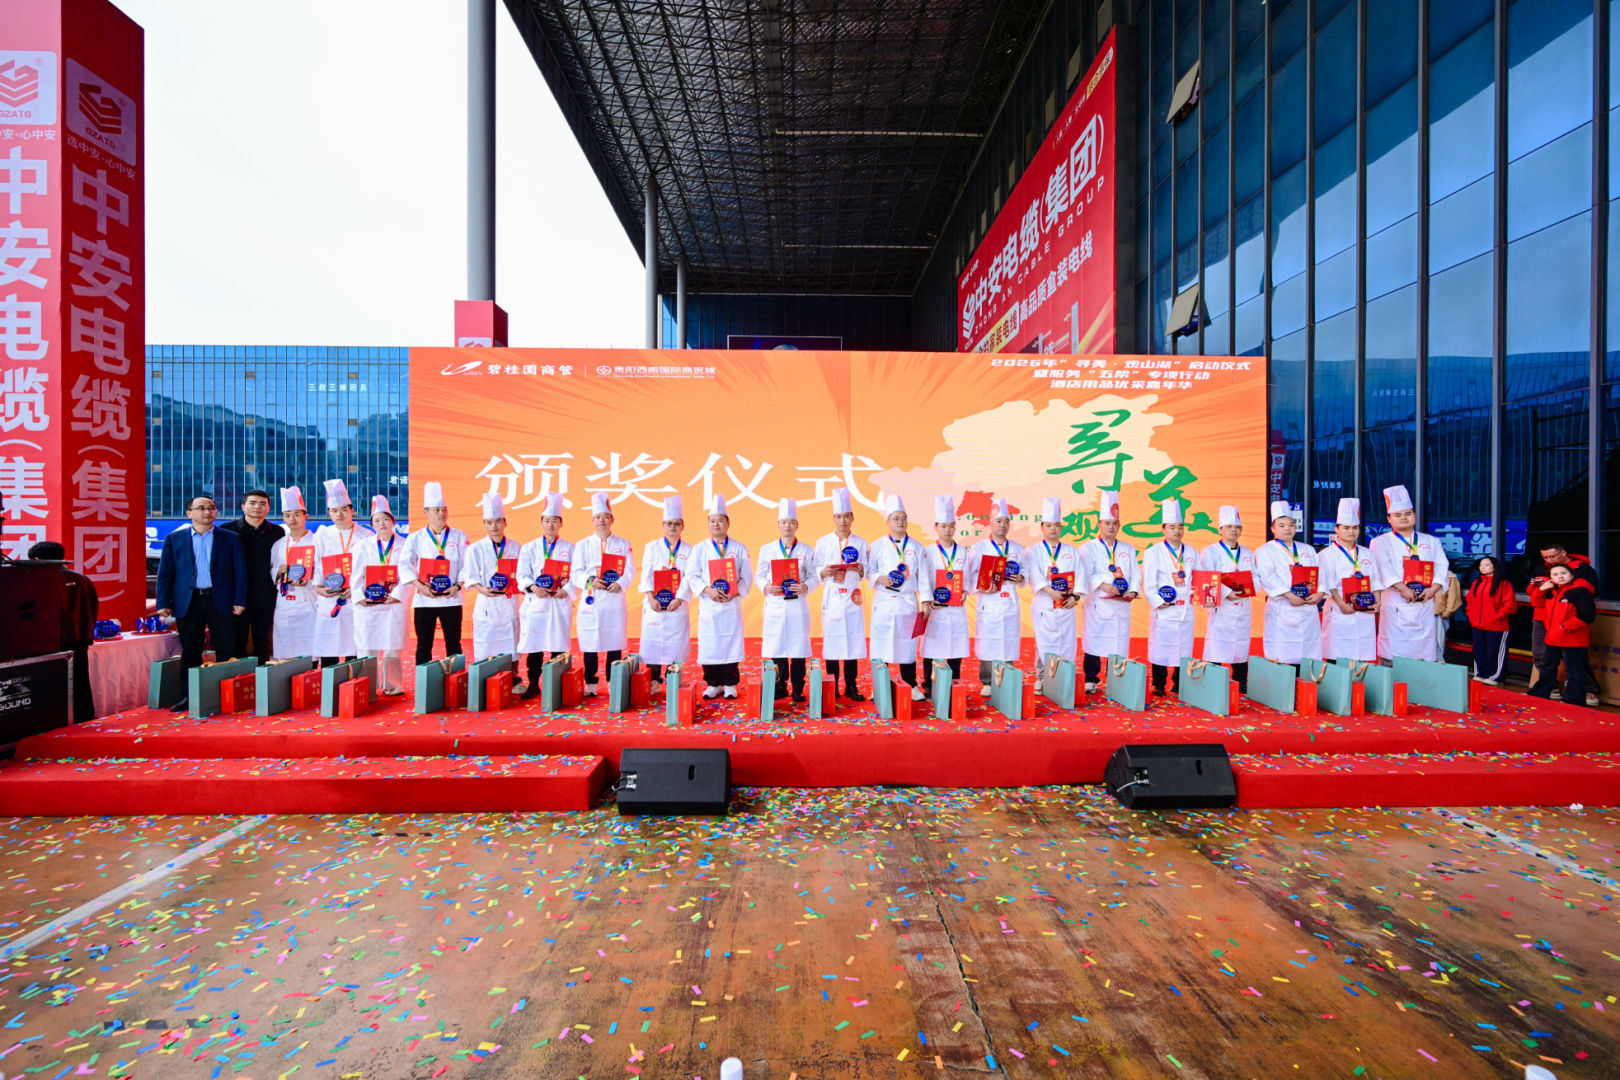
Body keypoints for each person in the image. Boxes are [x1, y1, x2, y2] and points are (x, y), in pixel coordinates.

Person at [155, 494, 247, 713]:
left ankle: (226, 695)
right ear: (189, 513)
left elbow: (240, 571)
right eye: (201, 508)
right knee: (190, 651)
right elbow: (165, 574)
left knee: (226, 649)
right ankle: (190, 696)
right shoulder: (174, 539)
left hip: (221, 600)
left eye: (211, 508)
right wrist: (163, 602)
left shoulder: (230, 538)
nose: (207, 512)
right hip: (189, 601)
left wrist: (240, 599)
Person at [1369, 485, 1450, 662]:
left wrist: (1433, 589)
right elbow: (1383, 567)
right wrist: (1402, 588)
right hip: (1395, 603)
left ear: (1415, 515)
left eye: (1408, 513)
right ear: (1389, 519)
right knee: (1394, 654)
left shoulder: (1431, 541)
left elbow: (1442, 566)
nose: (1404, 518)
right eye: (1398, 515)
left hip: (1424, 603)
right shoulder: (1380, 542)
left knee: (1424, 654)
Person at [684, 494, 753, 699]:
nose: (716, 524)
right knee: (710, 644)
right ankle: (713, 683)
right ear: (708, 523)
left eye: (720, 520)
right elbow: (691, 575)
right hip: (709, 605)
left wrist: (735, 592)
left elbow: (746, 576)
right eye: (712, 520)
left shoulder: (739, 548)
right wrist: (708, 590)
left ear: (728, 523)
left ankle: (730, 683)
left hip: (731, 605)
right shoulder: (699, 549)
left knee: (731, 643)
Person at [571, 494, 636, 696]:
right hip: (592, 599)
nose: (602, 521)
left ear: (612, 520)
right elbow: (575, 572)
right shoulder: (582, 545)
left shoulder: (623, 544)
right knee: (590, 644)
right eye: (598, 517)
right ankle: (590, 684)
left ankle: (612, 681)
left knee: (614, 644)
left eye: (606, 517)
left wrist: (620, 583)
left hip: (613, 599)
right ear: (592, 520)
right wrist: (590, 580)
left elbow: (630, 571)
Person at [26, 540, 97, 723]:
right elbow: (93, 607)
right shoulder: (82, 579)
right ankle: (84, 719)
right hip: (81, 638)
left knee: (52, 685)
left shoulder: (41, 582)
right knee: (80, 681)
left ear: (37, 560)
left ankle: (57, 721)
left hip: (53, 642)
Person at [757, 498, 819, 703]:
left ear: (797, 525)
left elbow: (814, 576)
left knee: (798, 647)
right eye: (784, 522)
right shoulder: (767, 549)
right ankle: (780, 685)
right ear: (778, 525)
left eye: (791, 522)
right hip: (775, 604)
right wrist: (766, 587)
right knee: (778, 645)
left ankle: (798, 687)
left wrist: (805, 586)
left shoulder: (807, 550)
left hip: (797, 605)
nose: (787, 526)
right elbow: (759, 576)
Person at [401, 481, 468, 666]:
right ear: (426, 512)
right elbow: (404, 565)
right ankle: (424, 680)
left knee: (454, 644)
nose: (441, 514)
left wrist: (457, 586)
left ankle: (456, 679)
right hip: (424, 600)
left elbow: (466, 565)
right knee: (423, 645)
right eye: (436, 510)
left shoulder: (460, 536)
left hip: (451, 599)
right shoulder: (415, 538)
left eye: (444, 510)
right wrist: (419, 585)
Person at [516, 492, 575, 699]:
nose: (551, 525)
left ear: (561, 523)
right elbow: (522, 575)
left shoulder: (570, 548)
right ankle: (533, 682)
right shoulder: (529, 547)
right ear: (541, 522)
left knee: (558, 644)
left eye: (555, 521)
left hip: (558, 603)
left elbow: (576, 575)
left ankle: (556, 684)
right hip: (537, 603)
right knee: (535, 644)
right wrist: (533, 587)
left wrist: (566, 589)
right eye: (547, 520)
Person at [1079, 490, 1139, 692]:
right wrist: (1106, 586)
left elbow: (1135, 575)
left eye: (1114, 524)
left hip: (1121, 605)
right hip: (1099, 603)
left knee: (1118, 643)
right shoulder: (1088, 548)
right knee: (1094, 641)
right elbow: (1087, 573)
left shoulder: (1128, 548)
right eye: (1107, 523)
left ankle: (1116, 679)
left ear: (1119, 526)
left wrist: (1132, 592)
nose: (1111, 527)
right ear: (1100, 525)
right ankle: (1091, 679)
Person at [350, 496, 411, 695]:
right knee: (367, 646)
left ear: (393, 521)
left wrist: (398, 594)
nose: (381, 524)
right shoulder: (362, 545)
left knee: (393, 645)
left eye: (385, 519)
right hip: (369, 604)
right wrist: (360, 596)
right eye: (377, 520)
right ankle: (368, 684)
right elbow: (356, 574)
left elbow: (409, 572)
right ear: (372, 524)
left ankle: (393, 684)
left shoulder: (405, 544)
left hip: (393, 603)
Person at [868, 495, 926, 701]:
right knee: (881, 644)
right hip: (884, 602)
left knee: (907, 646)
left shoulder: (917, 547)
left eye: (903, 518)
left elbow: (924, 576)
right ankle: (879, 686)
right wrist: (878, 578)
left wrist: (925, 601)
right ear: (887, 521)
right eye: (896, 518)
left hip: (907, 602)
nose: (900, 522)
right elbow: (869, 570)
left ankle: (911, 684)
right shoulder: (877, 545)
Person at [1254, 500, 1326, 665]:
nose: (1288, 528)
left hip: (1308, 609)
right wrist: (1289, 595)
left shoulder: (1307, 549)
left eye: (1291, 525)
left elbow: (1321, 574)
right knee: (1281, 653)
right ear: (1273, 528)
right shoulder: (1265, 550)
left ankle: (1305, 680)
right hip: (1282, 609)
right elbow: (1268, 577)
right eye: (1282, 525)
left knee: (1308, 652)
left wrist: (1320, 593)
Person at [1527, 543, 1600, 705]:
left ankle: (1576, 697)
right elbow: (1535, 602)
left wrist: (1565, 626)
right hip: (1552, 632)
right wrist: (1540, 588)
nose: (1559, 576)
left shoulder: (1580, 587)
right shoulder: (1551, 588)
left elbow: (1587, 615)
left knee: (1574, 667)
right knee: (1546, 663)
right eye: (1545, 557)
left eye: (1563, 573)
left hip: (1570, 635)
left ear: (1572, 575)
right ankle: (1542, 692)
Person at [815, 488, 869, 700]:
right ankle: (832, 685)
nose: (843, 521)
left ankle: (851, 686)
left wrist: (861, 569)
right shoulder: (822, 542)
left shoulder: (861, 542)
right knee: (833, 642)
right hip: (833, 597)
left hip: (852, 598)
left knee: (852, 642)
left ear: (852, 518)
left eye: (846, 516)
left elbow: (867, 571)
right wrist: (824, 572)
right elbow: (815, 570)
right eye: (839, 517)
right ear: (834, 519)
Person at [967, 498, 1025, 697]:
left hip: (1010, 601)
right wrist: (983, 587)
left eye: (1006, 521)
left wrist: (1021, 578)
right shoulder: (979, 548)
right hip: (989, 601)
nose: (1003, 525)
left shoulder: (1017, 548)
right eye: (999, 521)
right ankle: (987, 681)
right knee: (988, 642)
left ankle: (1007, 677)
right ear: (990, 524)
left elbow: (1026, 571)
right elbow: (971, 575)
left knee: (1009, 640)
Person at [312, 479, 372, 666]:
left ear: (351, 510)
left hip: (355, 597)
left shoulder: (367, 535)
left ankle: (353, 680)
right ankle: (329, 678)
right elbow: (317, 563)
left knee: (353, 645)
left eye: (344, 510)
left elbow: (370, 567)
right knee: (328, 644)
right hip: (329, 597)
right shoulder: (322, 534)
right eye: (334, 510)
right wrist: (317, 586)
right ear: (329, 512)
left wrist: (358, 589)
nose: (339, 514)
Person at [1141, 498, 1197, 696]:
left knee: (1184, 647)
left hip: (1185, 608)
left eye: (1180, 527)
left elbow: (1199, 578)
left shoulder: (1192, 552)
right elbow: (1149, 582)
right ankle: (1159, 684)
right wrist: (1157, 601)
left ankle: (1179, 683)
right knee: (1161, 647)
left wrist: (1198, 595)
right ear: (1163, 529)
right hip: (1165, 608)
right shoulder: (1153, 552)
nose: (1177, 531)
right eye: (1172, 527)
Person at [1196, 505, 1254, 693]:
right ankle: (1215, 681)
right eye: (1229, 527)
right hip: (1222, 607)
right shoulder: (1210, 552)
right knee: (1217, 644)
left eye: (1237, 527)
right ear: (1220, 530)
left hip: (1243, 604)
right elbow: (1206, 576)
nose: (1233, 530)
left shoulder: (1247, 552)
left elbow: (1256, 576)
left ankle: (1241, 681)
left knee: (1241, 644)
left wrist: (1249, 589)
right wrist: (1226, 592)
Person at [220, 489, 283, 663]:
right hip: (236, 596)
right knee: (236, 641)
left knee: (263, 641)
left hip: (265, 595)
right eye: (253, 503)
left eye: (263, 504)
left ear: (268, 508)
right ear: (243, 506)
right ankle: (238, 677)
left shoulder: (277, 532)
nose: (258, 507)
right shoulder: (227, 530)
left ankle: (261, 677)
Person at [636, 495, 690, 690]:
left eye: (676, 523)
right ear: (663, 525)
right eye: (669, 523)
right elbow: (646, 575)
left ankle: (674, 678)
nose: (672, 527)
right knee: (653, 642)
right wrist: (651, 599)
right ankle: (654, 680)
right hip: (655, 604)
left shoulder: (689, 550)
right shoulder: (652, 547)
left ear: (682, 526)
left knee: (676, 642)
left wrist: (679, 599)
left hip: (677, 605)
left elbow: (689, 578)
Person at [919, 496, 970, 697]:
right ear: (936, 527)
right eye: (943, 526)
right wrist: (927, 599)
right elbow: (924, 578)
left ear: (955, 527)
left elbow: (968, 577)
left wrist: (965, 591)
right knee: (932, 647)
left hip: (956, 609)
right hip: (936, 608)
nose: (947, 530)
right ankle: (929, 684)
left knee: (956, 648)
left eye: (951, 526)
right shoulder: (927, 552)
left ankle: (954, 683)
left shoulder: (963, 552)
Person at [1025, 497, 1081, 684]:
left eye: (1056, 525)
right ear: (1042, 527)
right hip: (1044, 604)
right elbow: (1034, 574)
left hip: (1065, 605)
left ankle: (1064, 677)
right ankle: (1042, 678)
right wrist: (1050, 591)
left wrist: (1075, 597)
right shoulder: (1032, 551)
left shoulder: (1072, 551)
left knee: (1067, 641)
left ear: (1061, 528)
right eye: (1049, 525)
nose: (1053, 529)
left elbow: (1081, 576)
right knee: (1042, 641)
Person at [462, 492, 521, 662]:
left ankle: (513, 675)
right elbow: (470, 576)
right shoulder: (475, 548)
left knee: (512, 645)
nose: (494, 526)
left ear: (505, 522)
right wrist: (481, 589)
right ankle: (484, 676)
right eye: (489, 522)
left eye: (497, 521)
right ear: (484, 524)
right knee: (485, 646)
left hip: (509, 603)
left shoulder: (516, 547)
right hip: (486, 604)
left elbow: (522, 574)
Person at [1317, 498, 1378, 662]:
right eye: (1346, 528)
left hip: (1364, 611)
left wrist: (1377, 602)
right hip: (1339, 611)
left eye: (1355, 528)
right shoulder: (1326, 555)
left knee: (1361, 657)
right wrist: (1342, 604)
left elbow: (1376, 581)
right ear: (1336, 529)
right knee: (1337, 656)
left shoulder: (1367, 553)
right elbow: (1328, 583)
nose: (1351, 531)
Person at [268, 486, 318, 660]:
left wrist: (309, 579)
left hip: (308, 599)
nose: (292, 519)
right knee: (285, 645)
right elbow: (272, 569)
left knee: (310, 646)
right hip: (285, 602)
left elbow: (323, 570)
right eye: (287, 515)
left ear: (306, 516)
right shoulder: (279, 544)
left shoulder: (317, 541)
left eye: (296, 514)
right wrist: (278, 572)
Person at [1465, 555, 1516, 685]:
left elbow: (1510, 605)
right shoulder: (1476, 583)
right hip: (1477, 624)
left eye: (1487, 564)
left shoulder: (1504, 584)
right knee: (1479, 651)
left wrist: (1497, 616)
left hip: (1497, 625)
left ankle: (1495, 677)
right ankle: (1481, 673)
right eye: (1481, 565)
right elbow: (1470, 601)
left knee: (1495, 652)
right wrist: (1471, 616)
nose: (1483, 567)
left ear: (1495, 566)